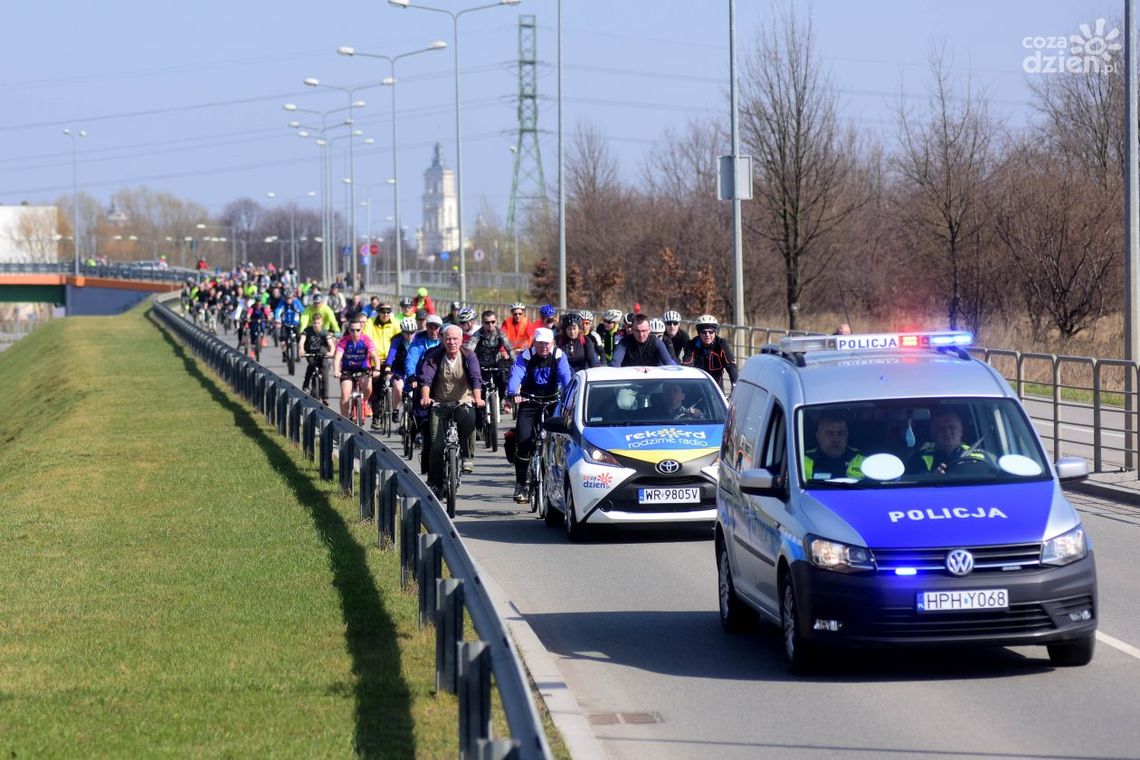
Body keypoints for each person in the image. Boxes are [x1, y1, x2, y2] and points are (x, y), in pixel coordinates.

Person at [507, 327, 573, 503]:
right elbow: (517, 373)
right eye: (540, 343)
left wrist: (569, 394)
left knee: (556, 441)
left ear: (552, 343)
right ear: (534, 343)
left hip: (552, 403)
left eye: (547, 343)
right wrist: (514, 391)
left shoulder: (558, 356)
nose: (544, 347)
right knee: (523, 442)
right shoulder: (526, 356)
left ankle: (554, 480)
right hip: (529, 402)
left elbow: (566, 376)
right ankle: (521, 484)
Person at [417, 325, 485, 494]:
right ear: (442, 340)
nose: (452, 342)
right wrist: (426, 397)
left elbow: (476, 378)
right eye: (448, 338)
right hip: (439, 403)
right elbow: (426, 379)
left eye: (455, 339)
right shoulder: (434, 356)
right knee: (437, 446)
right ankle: (434, 482)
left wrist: (477, 399)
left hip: (463, 400)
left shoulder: (469, 356)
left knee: (469, 420)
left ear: (462, 340)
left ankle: (467, 456)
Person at [908, 409, 992, 474]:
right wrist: (933, 479)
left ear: (961, 431)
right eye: (941, 429)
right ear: (933, 433)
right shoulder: (919, 459)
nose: (947, 432)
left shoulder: (980, 456)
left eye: (952, 427)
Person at [332, 316, 382, 420]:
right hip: (347, 370)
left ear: (361, 329)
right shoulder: (344, 341)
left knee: (368, 389)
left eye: (358, 330)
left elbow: (375, 356)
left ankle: (364, 403)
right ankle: (345, 420)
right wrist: (336, 371)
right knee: (345, 395)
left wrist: (377, 369)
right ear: (348, 330)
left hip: (363, 369)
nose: (355, 333)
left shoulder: (366, 340)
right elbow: (337, 357)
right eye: (352, 330)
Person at [364, 302, 399, 430]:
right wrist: (373, 356)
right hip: (376, 359)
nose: (385, 314)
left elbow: (399, 339)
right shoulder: (370, 322)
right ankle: (376, 417)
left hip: (391, 359)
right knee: (377, 389)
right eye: (383, 311)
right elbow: (367, 339)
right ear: (378, 312)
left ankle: (397, 409)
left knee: (398, 384)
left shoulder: (395, 323)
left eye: (388, 312)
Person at [683, 314, 739, 393]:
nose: (707, 335)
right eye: (704, 332)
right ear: (699, 333)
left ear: (715, 332)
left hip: (716, 386)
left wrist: (734, 385)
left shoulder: (721, 344)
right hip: (697, 386)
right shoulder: (691, 344)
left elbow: (731, 366)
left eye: (711, 332)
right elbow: (687, 365)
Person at [803, 413, 865, 480]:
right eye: (829, 433)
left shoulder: (864, 461)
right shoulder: (802, 461)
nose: (836, 439)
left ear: (847, 436)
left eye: (841, 433)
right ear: (818, 436)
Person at [610, 313, 676, 367]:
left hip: (653, 379)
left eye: (644, 331)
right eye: (637, 331)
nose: (641, 335)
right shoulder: (624, 343)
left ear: (649, 330)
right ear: (632, 330)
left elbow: (669, 365)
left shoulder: (656, 343)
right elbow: (615, 363)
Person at [385, 317, 419, 417]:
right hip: (399, 370)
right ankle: (395, 410)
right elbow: (391, 354)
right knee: (398, 388)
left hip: (414, 371)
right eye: (406, 332)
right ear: (402, 331)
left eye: (412, 332)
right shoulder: (397, 340)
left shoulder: (419, 340)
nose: (409, 335)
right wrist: (388, 366)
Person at [299, 311, 335, 404]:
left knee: (325, 373)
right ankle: (306, 385)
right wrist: (301, 350)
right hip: (310, 353)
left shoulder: (324, 332)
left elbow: (331, 343)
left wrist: (331, 352)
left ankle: (325, 397)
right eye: (314, 323)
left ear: (321, 323)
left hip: (323, 355)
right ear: (312, 323)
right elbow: (302, 341)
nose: (316, 325)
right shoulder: (307, 330)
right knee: (311, 365)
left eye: (318, 323)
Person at [273, 290, 304, 362]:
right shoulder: (282, 303)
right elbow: (278, 310)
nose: (288, 300)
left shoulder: (296, 302)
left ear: (292, 297)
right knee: (283, 339)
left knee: (299, 338)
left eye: (290, 298)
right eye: (287, 298)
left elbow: (303, 311)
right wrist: (277, 319)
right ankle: (284, 354)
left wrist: (303, 319)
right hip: (285, 323)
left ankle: (298, 353)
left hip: (295, 323)